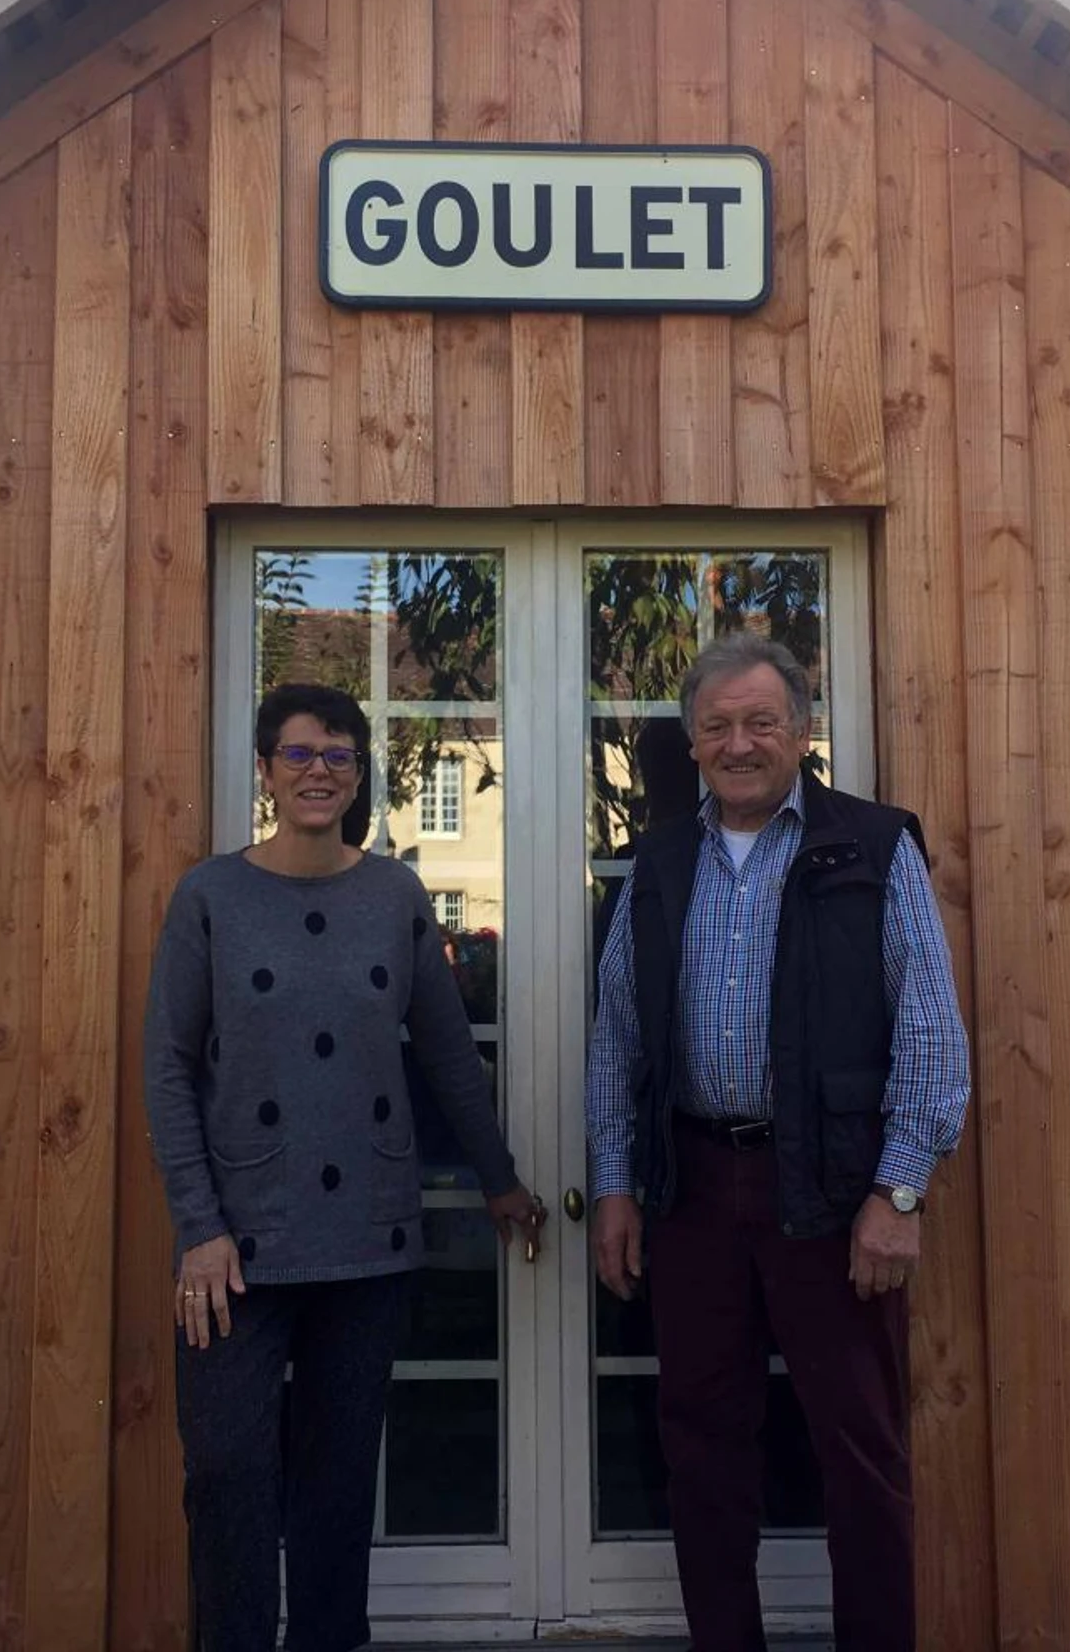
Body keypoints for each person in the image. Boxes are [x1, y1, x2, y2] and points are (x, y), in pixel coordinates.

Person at [585, 633, 971, 1652]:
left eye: (761, 721)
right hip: (694, 1190)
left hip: (834, 1195)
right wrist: (616, 1185)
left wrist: (898, 1193)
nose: (739, 743)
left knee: (860, 1451)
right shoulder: (661, 862)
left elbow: (931, 1031)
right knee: (702, 1450)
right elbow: (618, 1036)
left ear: (802, 731)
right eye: (717, 726)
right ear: (692, 743)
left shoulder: (873, 846)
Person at [146, 681, 545, 1652]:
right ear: (265, 770)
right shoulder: (210, 897)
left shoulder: (395, 895)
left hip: (367, 1234)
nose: (317, 772)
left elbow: (447, 1054)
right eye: (298, 754)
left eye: (337, 756)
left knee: (336, 1481)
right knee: (227, 1471)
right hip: (236, 1245)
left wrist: (499, 1179)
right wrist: (198, 1226)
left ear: (359, 775)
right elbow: (168, 1067)